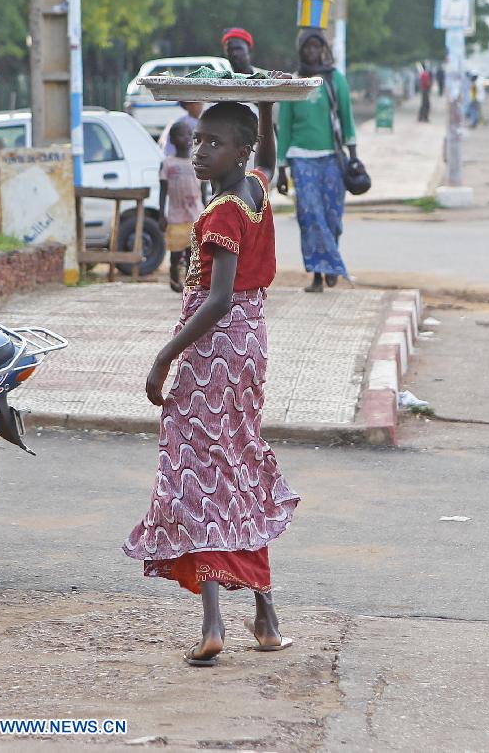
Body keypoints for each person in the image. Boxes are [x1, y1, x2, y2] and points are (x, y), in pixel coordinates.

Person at [124, 99, 300, 666]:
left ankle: (213, 623)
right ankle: (266, 616)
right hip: (250, 344)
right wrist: (267, 111)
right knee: (239, 463)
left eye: (213, 143)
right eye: (198, 140)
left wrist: (164, 356)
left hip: (214, 350)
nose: (199, 151)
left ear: (238, 151)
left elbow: (218, 299)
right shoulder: (252, 187)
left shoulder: (224, 211)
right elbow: (267, 156)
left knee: (197, 475)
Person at [276, 27, 357, 293]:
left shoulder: (336, 80)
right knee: (310, 216)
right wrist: (281, 167)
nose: (311, 52)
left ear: (323, 49)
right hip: (301, 160)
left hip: (333, 158)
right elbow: (285, 127)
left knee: (332, 217)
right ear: (300, 51)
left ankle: (329, 264)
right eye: (306, 47)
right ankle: (317, 275)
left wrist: (354, 157)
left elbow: (347, 119)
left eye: (316, 47)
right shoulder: (293, 83)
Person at [158, 120, 203, 292]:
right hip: (176, 215)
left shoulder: (197, 162)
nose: (185, 138)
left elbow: (204, 189)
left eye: (188, 134)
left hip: (194, 214)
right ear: (173, 140)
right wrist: (161, 214)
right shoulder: (167, 163)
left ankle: (190, 283)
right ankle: (174, 275)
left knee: (192, 252)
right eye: (180, 135)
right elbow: (163, 191)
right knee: (176, 253)